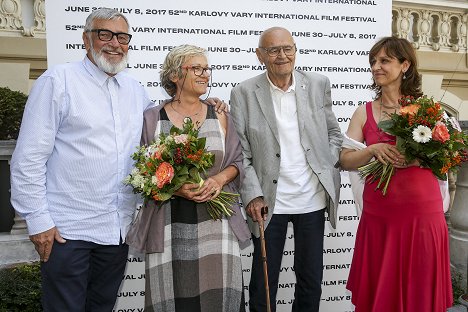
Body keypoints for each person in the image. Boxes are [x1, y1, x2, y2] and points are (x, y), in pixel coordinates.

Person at [9, 9, 225, 312]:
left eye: (122, 37)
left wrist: (206, 104)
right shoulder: (58, 82)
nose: (115, 43)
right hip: (66, 231)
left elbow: (168, 121)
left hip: (116, 231)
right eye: (105, 34)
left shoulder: (134, 90)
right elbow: (28, 158)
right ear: (86, 40)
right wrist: (38, 219)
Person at [125, 44, 251, 312]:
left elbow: (238, 161)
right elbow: (144, 169)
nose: (205, 74)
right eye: (197, 68)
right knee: (172, 297)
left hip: (216, 223)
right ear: (174, 75)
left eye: (207, 68)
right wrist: (174, 186)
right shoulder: (152, 117)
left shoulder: (220, 114)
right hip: (168, 221)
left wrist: (218, 180)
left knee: (220, 298)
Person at [230, 27, 342, 312]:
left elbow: (334, 134)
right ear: (260, 56)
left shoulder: (318, 84)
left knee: (310, 280)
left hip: (312, 199)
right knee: (263, 283)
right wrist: (253, 195)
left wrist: (323, 163)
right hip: (268, 202)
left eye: (287, 49)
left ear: (295, 49)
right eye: (273, 50)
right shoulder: (243, 92)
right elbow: (241, 153)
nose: (282, 56)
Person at [340, 36, 453, 311]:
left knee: (420, 288)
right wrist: (373, 149)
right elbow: (344, 160)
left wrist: (417, 157)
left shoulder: (427, 109)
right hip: (381, 217)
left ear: (405, 65)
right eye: (373, 61)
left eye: (384, 61)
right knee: (382, 289)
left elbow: (447, 157)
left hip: (423, 214)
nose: (376, 66)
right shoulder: (363, 113)